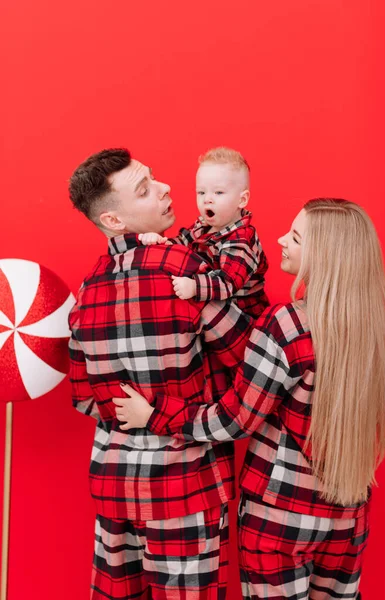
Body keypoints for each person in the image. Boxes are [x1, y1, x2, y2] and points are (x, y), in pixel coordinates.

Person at [114, 199, 385, 600]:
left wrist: (156, 413)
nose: (280, 239)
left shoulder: (288, 325)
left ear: (325, 257)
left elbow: (234, 421)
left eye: (295, 237)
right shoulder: (372, 332)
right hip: (349, 518)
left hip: (280, 516)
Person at [67, 148, 253, 600]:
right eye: (145, 190)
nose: (167, 188)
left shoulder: (86, 293)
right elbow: (250, 359)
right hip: (185, 489)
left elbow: (84, 398)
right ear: (113, 220)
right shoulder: (184, 271)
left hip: (114, 488)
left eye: (154, 178)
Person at [139, 147, 269, 318]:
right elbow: (181, 244)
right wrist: (161, 242)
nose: (207, 199)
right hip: (214, 308)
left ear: (242, 199)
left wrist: (194, 287)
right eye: (201, 192)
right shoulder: (203, 225)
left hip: (242, 317)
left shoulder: (242, 240)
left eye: (219, 192)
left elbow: (227, 283)